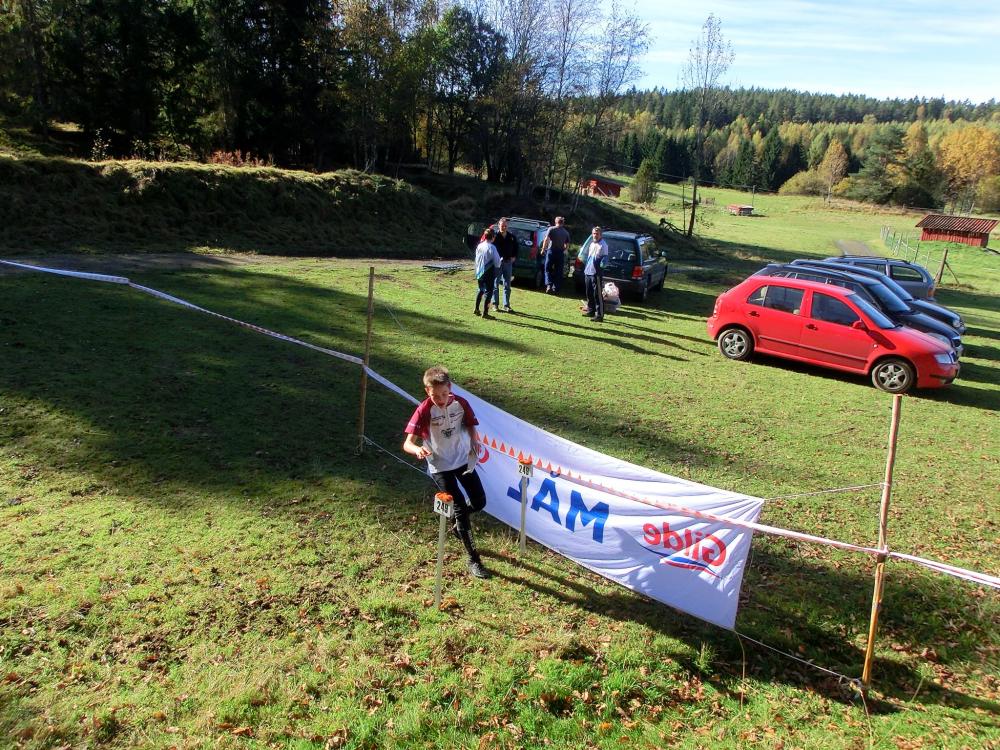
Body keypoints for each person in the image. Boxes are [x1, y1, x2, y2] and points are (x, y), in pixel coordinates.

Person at [403, 366, 491, 579]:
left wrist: (474, 441)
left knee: (479, 502)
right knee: (459, 505)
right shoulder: (423, 410)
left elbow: (471, 425)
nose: (441, 399)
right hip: (440, 466)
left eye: (444, 394)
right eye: (435, 396)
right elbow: (407, 443)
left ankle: (458, 521)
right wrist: (418, 449)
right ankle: (474, 559)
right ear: (427, 391)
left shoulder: (461, 403)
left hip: (463, 460)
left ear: (450, 388)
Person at [491, 217, 519, 312]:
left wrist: (514, 257)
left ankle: (506, 305)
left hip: (508, 263)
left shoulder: (512, 237)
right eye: (502, 226)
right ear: (498, 225)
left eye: (505, 226)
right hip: (497, 263)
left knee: (507, 285)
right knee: (495, 284)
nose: (504, 227)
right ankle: (495, 304)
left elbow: (516, 248)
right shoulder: (494, 236)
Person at [581, 226, 609, 322]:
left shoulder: (603, 245)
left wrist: (601, 265)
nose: (595, 235)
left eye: (597, 234)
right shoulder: (592, 244)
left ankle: (600, 315)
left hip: (596, 273)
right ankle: (591, 310)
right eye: (593, 233)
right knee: (589, 292)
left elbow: (605, 259)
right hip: (588, 271)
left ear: (600, 235)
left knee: (597, 294)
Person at [474, 227, 501, 319]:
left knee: (480, 289)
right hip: (488, 272)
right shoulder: (492, 247)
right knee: (489, 292)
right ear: (493, 237)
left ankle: (476, 308)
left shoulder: (479, 245)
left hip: (479, 271)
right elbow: (497, 262)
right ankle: (485, 313)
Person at [540, 216, 571, 294]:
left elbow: (546, 239)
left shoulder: (551, 229)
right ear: (563, 223)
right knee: (558, 271)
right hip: (560, 253)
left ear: (556, 222)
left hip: (551, 251)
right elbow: (567, 245)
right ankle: (555, 288)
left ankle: (549, 285)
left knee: (547, 269)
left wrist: (543, 249)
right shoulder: (566, 233)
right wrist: (565, 251)